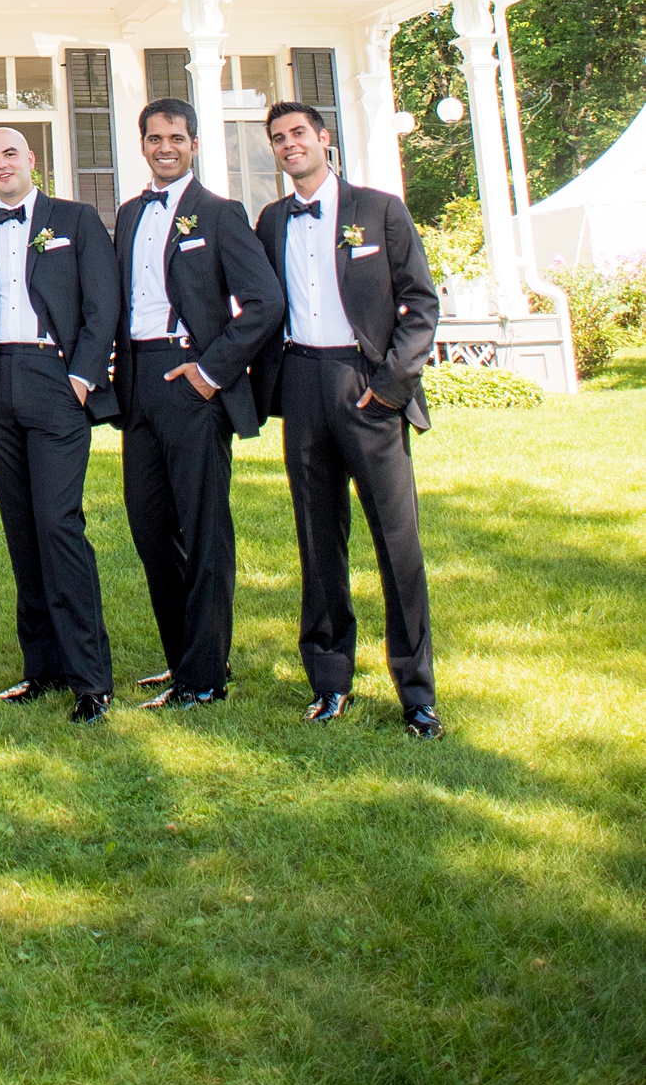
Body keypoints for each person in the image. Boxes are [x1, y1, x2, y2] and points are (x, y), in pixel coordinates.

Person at [256, 100, 444, 738]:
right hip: (302, 384)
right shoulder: (271, 220)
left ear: (323, 139)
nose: (289, 146)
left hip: (368, 386)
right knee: (317, 539)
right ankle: (330, 682)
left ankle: (417, 694)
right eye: (278, 139)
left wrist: (392, 384)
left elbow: (420, 300)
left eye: (298, 134)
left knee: (397, 544)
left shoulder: (379, 209)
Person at [112, 98, 284, 709]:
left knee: (204, 528)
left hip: (192, 381)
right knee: (150, 526)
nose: (165, 147)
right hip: (138, 384)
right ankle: (182, 656)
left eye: (176, 138)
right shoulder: (130, 215)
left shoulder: (220, 213)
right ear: (142, 144)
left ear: (193, 144)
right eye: (155, 137)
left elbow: (264, 303)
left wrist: (210, 372)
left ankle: (206, 676)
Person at [0, 126, 122, 724]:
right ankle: (42, 668)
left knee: (59, 525)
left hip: (56, 379)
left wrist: (81, 377)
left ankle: (90, 678)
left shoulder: (76, 221)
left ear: (32, 160)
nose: (0, 164)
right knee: (21, 532)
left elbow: (105, 306)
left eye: (10, 154)